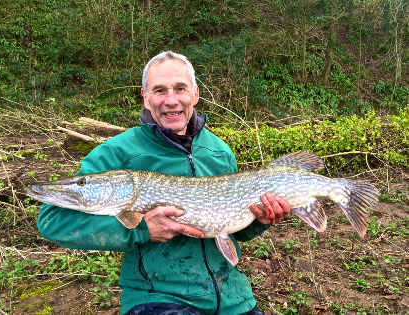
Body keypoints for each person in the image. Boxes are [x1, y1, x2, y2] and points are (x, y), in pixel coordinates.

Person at [38, 51, 291, 315]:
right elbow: (52, 221)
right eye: (159, 91)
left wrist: (261, 220)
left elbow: (234, 228)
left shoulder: (219, 152)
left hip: (232, 297)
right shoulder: (117, 152)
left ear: (194, 93)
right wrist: (142, 230)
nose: (171, 100)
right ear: (146, 98)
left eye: (180, 89)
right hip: (156, 297)